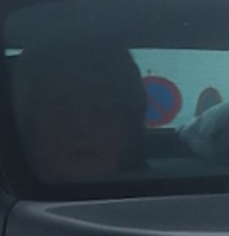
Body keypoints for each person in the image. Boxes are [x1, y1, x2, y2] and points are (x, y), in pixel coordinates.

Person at [14, 47, 148, 187]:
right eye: (60, 111)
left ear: (130, 129)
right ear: (27, 127)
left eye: (100, 111)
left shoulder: (161, 201)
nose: (82, 127)